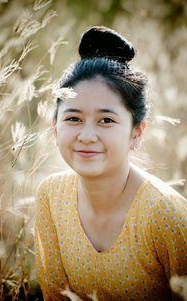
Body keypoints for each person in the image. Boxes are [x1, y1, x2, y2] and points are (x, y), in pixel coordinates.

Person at [35, 26, 187, 301]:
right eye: (73, 118)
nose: (87, 136)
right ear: (55, 127)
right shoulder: (51, 197)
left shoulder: (165, 215)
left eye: (106, 120)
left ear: (136, 133)